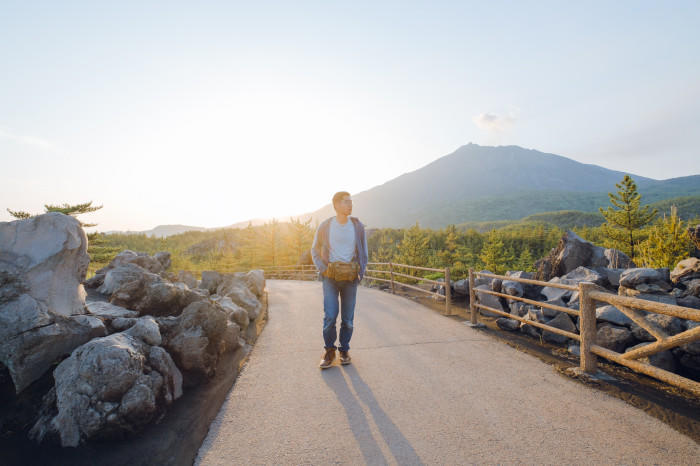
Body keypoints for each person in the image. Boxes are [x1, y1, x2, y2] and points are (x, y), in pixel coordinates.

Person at [311, 191, 368, 369]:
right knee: (330, 316)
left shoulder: (357, 226)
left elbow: (364, 252)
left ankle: (344, 350)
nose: (350, 205)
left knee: (348, 319)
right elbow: (314, 250)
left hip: (350, 278)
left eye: (351, 202)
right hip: (331, 277)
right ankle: (329, 351)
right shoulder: (325, 226)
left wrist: (361, 272)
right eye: (345, 202)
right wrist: (323, 269)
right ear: (335, 205)